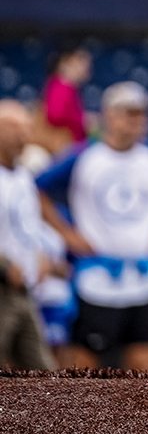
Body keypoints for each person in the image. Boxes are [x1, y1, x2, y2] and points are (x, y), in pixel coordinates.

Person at [36, 82, 148, 370]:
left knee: (147, 368)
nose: (138, 120)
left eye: (142, 114)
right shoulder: (83, 156)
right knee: (85, 370)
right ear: (109, 115)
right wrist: (67, 234)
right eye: (130, 113)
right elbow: (36, 190)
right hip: (96, 283)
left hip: (145, 283)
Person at [0, 99, 62, 369]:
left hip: (23, 287)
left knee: (40, 371)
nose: (24, 134)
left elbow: (28, 227)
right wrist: (3, 265)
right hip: (3, 284)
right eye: (14, 127)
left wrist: (43, 255)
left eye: (26, 127)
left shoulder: (23, 176)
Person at [35, 46, 92, 155]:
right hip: (62, 149)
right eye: (81, 60)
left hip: (69, 147)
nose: (87, 66)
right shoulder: (62, 85)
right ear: (66, 61)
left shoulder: (68, 87)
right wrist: (84, 121)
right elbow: (54, 115)